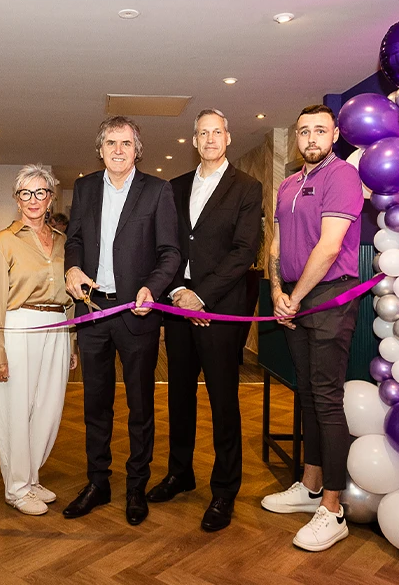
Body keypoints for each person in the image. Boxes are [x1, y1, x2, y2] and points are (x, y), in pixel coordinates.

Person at [146, 109, 262, 532]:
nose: (210, 139)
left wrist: (203, 295)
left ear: (227, 137)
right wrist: (178, 291)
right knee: (179, 394)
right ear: (194, 140)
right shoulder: (173, 188)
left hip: (220, 309)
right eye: (202, 133)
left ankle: (225, 489)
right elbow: (167, 245)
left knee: (223, 401)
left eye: (217, 132)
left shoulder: (247, 187)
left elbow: (244, 251)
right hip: (178, 306)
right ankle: (180, 473)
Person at [63, 116, 179, 525]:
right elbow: (74, 240)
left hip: (137, 314)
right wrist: (72, 269)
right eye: (110, 142)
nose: (117, 149)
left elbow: (170, 252)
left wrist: (153, 287)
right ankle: (98, 482)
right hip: (93, 313)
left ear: (137, 150)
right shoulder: (84, 188)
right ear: (100, 149)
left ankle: (135, 487)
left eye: (126, 143)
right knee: (96, 405)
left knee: (139, 407)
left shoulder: (158, 190)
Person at [261, 105, 364, 551]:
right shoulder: (287, 183)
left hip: (327, 297)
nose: (310, 138)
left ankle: (334, 509)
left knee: (326, 399)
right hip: (294, 297)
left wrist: (296, 298)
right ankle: (310, 485)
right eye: (303, 131)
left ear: (335, 134)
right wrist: (277, 291)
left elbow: (329, 246)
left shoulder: (341, 176)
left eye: (320, 130)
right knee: (306, 392)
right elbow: (276, 243)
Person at [0, 164, 78, 516]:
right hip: (18, 326)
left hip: (56, 328)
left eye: (41, 192)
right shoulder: (3, 242)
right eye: (26, 193)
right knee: (16, 409)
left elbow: (70, 295)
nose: (33, 199)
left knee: (49, 410)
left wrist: (71, 340)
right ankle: (17, 487)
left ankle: (32, 475)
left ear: (51, 197)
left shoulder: (64, 243)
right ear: (16, 198)